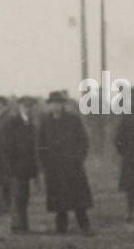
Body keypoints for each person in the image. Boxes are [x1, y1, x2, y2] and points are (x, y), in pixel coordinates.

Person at [36, 91, 93, 234]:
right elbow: (41, 144)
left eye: (59, 103)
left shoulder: (73, 120)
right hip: (54, 167)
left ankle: (84, 225)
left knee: (79, 198)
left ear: (63, 105)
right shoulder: (46, 122)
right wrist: (45, 162)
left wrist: (79, 158)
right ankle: (61, 227)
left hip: (72, 166)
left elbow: (83, 140)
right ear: (50, 105)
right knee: (59, 199)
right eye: (54, 103)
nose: (56, 107)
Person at [4, 97, 38, 232]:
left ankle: (23, 225)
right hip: (16, 166)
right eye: (25, 106)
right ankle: (17, 226)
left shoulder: (30, 123)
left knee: (24, 196)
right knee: (18, 196)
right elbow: (7, 146)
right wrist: (10, 165)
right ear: (20, 107)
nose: (28, 109)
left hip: (26, 166)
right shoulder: (12, 123)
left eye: (30, 106)